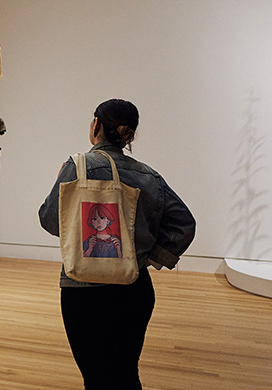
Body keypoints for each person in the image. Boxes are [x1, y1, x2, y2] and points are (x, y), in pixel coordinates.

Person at [38, 99, 196, 390]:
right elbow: (184, 224)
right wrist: (148, 256)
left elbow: (50, 221)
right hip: (133, 290)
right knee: (126, 372)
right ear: (130, 134)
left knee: (96, 378)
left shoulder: (77, 166)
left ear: (95, 125)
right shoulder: (149, 176)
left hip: (84, 292)